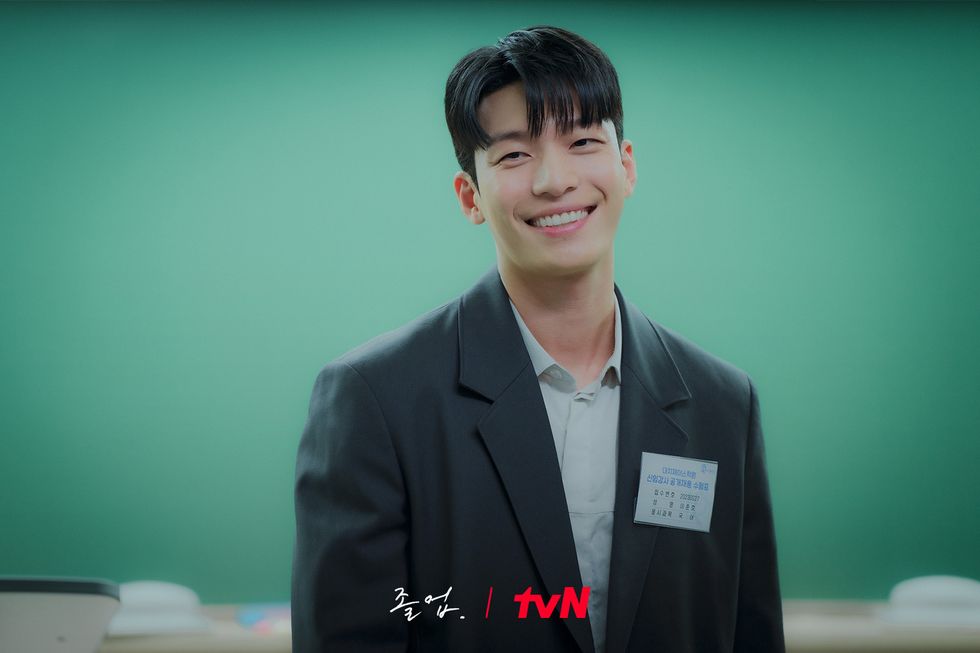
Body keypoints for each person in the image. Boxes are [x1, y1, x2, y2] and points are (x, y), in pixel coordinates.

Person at [292, 25, 784, 653]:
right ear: (470, 196)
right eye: (514, 156)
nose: (555, 180)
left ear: (627, 167)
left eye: (582, 142)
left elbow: (749, 631)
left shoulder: (723, 403)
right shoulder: (376, 397)